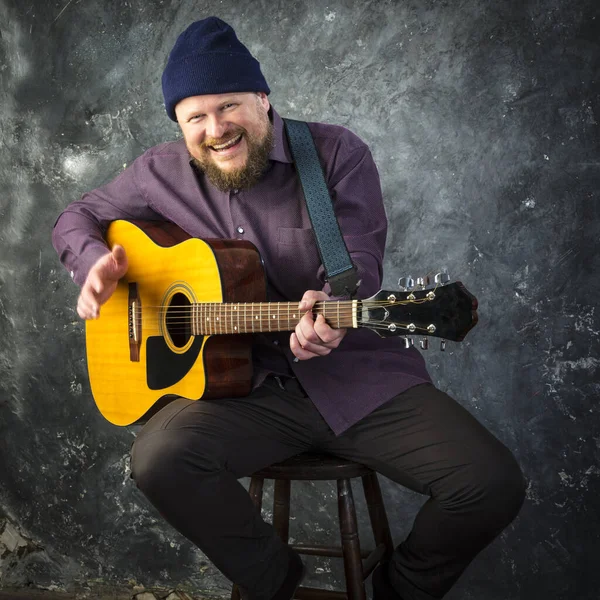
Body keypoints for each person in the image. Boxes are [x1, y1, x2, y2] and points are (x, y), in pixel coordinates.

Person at [52, 17, 526, 600]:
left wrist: (334, 304)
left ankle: (398, 592)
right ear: (179, 126)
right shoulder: (159, 172)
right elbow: (75, 216)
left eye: (229, 107)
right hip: (244, 393)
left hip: (355, 379)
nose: (215, 129)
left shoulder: (334, 152)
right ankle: (281, 590)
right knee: (158, 460)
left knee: (491, 481)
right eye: (195, 117)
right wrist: (93, 262)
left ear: (263, 99)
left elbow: (357, 259)